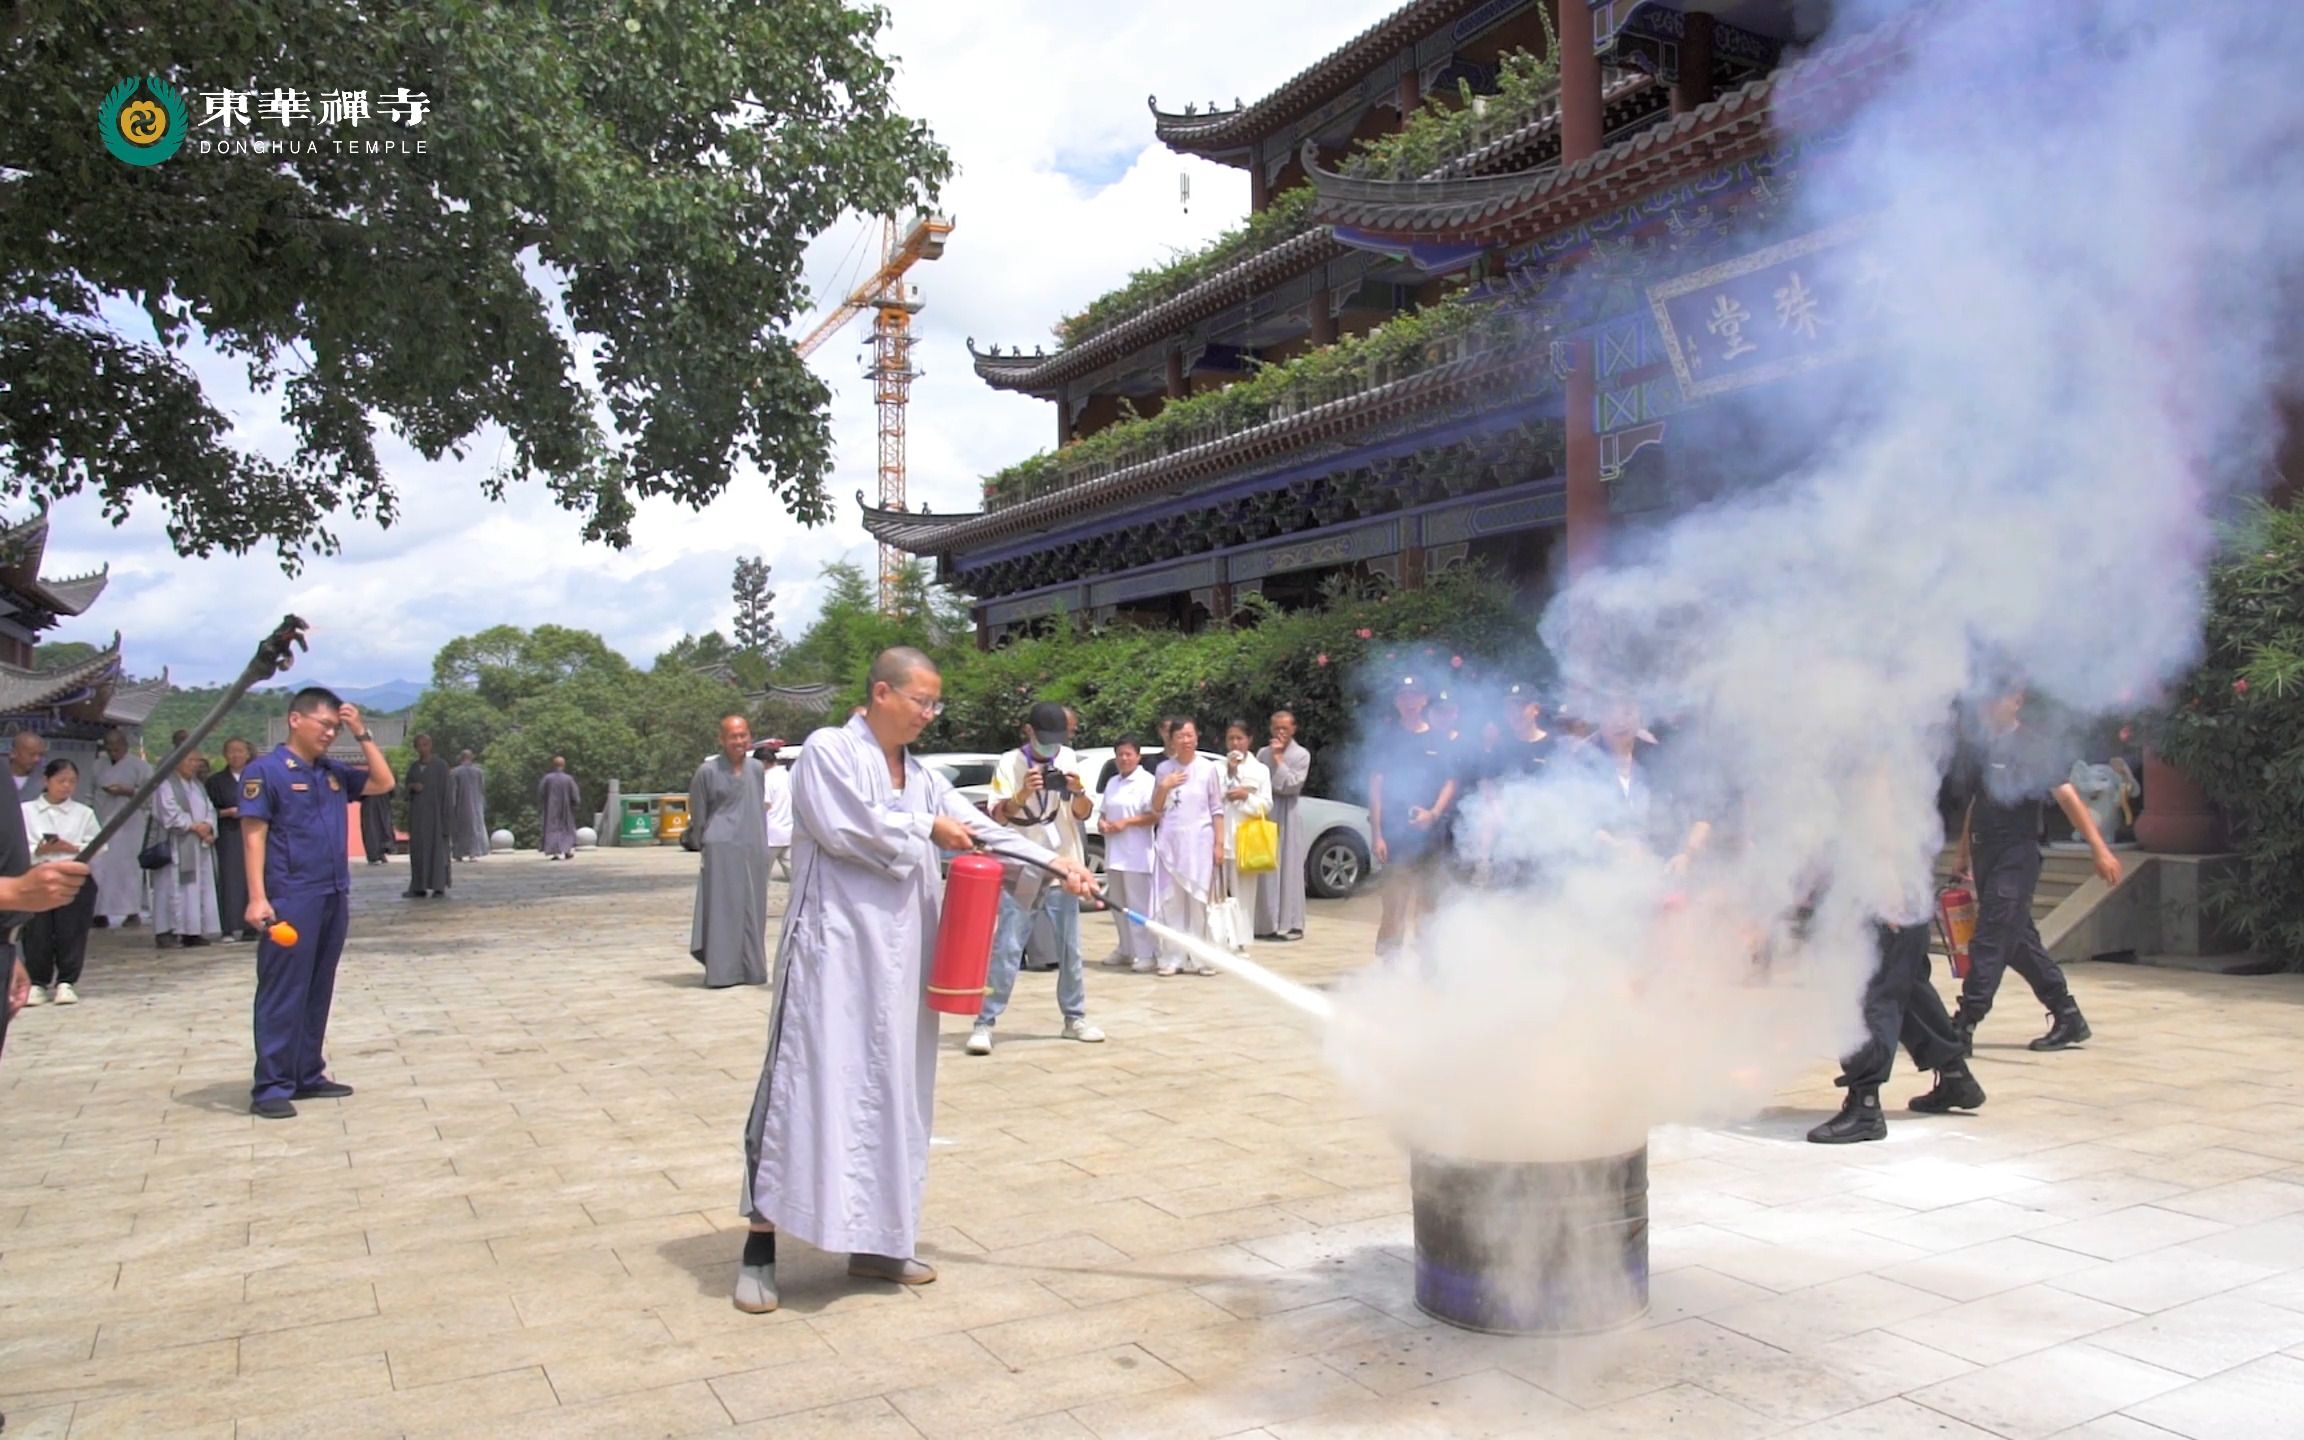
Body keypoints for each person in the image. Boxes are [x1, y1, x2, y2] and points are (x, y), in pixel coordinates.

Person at [734, 647, 1094, 1313]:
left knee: (894, 1094)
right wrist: (929, 826)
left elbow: (981, 829)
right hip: (833, 958)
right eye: (921, 701)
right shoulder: (828, 752)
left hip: (902, 965)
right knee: (802, 1089)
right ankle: (760, 1246)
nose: (930, 714)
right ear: (880, 693)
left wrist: (1056, 866)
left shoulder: (923, 775)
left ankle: (878, 1241)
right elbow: (851, 829)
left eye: (936, 704)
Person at [241, 689, 393, 1119]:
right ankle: (271, 1084)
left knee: (317, 986)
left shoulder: (331, 772)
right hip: (290, 894)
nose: (330, 733)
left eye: (335, 727)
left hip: (332, 892)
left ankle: (307, 1072)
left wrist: (362, 732)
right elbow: (253, 832)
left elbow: (383, 782)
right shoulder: (265, 771)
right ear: (295, 720)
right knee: (282, 989)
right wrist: (256, 897)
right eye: (324, 725)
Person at [1951, 687, 2122, 1051]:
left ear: (2017, 701)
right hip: (1986, 853)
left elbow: (2067, 796)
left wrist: (2099, 848)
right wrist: (1962, 855)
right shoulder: (1983, 747)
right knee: (2017, 942)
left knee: (1992, 934)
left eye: (2000, 696)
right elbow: (1976, 804)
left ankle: (1965, 1023)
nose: (1990, 703)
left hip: (2017, 854)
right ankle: (2068, 1015)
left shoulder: (2033, 746)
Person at [966, 700, 1104, 1055]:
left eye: (1057, 740)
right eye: (1045, 739)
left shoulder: (1069, 759)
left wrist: (1077, 791)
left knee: (1069, 946)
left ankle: (1074, 1017)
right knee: (1009, 945)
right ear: (1029, 732)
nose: (1050, 747)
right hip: (1023, 863)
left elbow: (1083, 813)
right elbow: (999, 816)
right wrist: (1024, 792)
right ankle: (985, 1021)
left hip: (1063, 866)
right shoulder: (1010, 762)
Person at [1810, 919, 1985, 1143]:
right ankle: (1956, 1077)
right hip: (1889, 902)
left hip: (1883, 902)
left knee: (1864, 987)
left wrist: (1891, 893)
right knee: (1906, 985)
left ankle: (1866, 1108)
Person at [1367, 677, 1456, 961]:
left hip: (1430, 834)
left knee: (1429, 904)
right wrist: (1377, 834)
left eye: (1414, 695)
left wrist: (1434, 813)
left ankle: (1427, 966)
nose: (1409, 701)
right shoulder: (1387, 737)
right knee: (1394, 903)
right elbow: (1376, 786)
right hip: (1396, 833)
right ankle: (1389, 968)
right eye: (1403, 696)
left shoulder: (1439, 739)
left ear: (1424, 700)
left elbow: (1450, 782)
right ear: (1397, 702)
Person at [690, 715, 771, 988]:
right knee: (723, 909)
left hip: (754, 845)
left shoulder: (757, 769)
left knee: (753, 908)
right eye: (733, 736)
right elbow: (699, 815)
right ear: (721, 739)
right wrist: (701, 844)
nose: (739, 741)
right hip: (721, 848)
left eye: (743, 735)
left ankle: (752, 969)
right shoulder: (707, 772)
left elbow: (757, 804)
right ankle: (722, 972)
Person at [1150, 717, 1226, 977]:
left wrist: (1219, 843)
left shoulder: (1208, 769)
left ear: (1197, 737)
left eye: (1190, 735)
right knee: (1172, 902)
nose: (1186, 740)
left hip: (1200, 844)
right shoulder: (1163, 769)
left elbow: (1217, 809)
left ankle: (1201, 957)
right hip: (1171, 843)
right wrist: (1164, 786)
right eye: (1180, 735)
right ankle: (1173, 956)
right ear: (1171, 739)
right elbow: (1156, 808)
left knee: (1198, 901)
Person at [20, 758, 100, 1005]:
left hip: (72, 875)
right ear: (46, 781)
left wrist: (72, 848)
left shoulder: (83, 813)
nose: (66, 786)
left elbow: (98, 845)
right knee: (37, 931)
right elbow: (16, 845)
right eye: (60, 781)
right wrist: (38, 850)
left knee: (71, 930)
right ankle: (37, 981)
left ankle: (67, 981)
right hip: (37, 875)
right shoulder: (25, 811)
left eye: (72, 782)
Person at [1097, 737, 1158, 971]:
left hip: (1137, 855)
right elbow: (1103, 812)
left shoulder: (1147, 782)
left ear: (1137, 756)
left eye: (1128, 754)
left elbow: (1154, 815)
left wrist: (1127, 823)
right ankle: (1125, 948)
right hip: (1114, 854)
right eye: (1120, 754)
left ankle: (1146, 953)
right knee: (1118, 904)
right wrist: (1103, 823)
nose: (1124, 759)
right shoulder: (1113, 782)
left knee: (1138, 906)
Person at [151, 749, 222, 948]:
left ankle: (193, 931)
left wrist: (208, 825)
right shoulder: (166, 785)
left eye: (196, 761)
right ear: (177, 763)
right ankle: (167, 931)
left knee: (198, 888)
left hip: (198, 845)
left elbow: (209, 808)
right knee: (172, 887)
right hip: (177, 844)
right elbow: (169, 813)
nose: (194, 765)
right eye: (189, 760)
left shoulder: (198, 786)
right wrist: (193, 826)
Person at [1255, 711, 1312, 942]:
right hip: (1267, 813)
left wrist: (1279, 760)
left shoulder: (1301, 755)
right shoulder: (1261, 753)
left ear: (1293, 729)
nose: (1280, 733)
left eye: (1285, 729)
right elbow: (1258, 783)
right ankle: (1266, 923)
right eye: (1276, 728)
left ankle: (1291, 923)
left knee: (1289, 866)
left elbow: (1291, 786)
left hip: (1288, 813)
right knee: (1267, 868)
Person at [1218, 721, 1272, 956]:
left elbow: (1267, 804)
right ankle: (1221, 939)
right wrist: (1229, 776)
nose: (1235, 743)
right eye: (1231, 739)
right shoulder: (1217, 768)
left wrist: (1244, 797)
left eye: (1239, 738)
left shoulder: (1260, 770)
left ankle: (1241, 942)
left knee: (1244, 895)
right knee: (1219, 894)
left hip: (1246, 841)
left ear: (1249, 740)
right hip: (1220, 840)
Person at [87, 728, 151, 927]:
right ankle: (99, 912)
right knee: (99, 867)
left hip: (130, 825)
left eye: (116, 748)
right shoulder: (97, 766)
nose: (113, 752)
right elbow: (90, 793)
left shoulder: (140, 767)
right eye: (109, 748)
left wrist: (128, 791)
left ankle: (131, 911)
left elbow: (151, 795)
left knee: (128, 868)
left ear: (124, 745)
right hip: (102, 822)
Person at [206, 738, 260, 942]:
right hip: (229, 833)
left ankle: (251, 926)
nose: (236, 755)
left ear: (248, 753)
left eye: (240, 751)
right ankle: (227, 926)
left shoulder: (258, 777)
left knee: (252, 877)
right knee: (229, 879)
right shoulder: (215, 781)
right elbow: (207, 810)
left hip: (254, 832)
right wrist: (226, 812)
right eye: (231, 751)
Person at [401, 733, 452, 898]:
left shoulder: (441, 766)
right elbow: (405, 791)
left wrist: (446, 818)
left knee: (437, 851)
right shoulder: (414, 768)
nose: (422, 748)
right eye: (419, 745)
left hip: (436, 816)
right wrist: (412, 787)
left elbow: (447, 792)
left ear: (430, 745)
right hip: (418, 817)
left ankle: (439, 886)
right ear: (415, 748)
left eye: (425, 744)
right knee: (418, 851)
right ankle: (418, 886)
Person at [757, 742, 793, 883]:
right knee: (796, 878)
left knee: (759, 878)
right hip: (789, 832)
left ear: (764, 762)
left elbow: (765, 805)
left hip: (770, 834)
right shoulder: (789, 776)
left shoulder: (766, 779)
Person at [538, 757, 581, 860]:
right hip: (566, 809)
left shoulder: (547, 778)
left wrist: (544, 803)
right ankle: (567, 851)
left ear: (553, 765)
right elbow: (574, 794)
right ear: (563, 765)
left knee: (552, 829)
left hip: (551, 809)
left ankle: (555, 853)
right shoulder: (568, 779)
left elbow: (541, 792)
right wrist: (575, 803)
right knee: (566, 828)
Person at [450, 750, 490, 861]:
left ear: (461, 758)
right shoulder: (478, 772)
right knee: (475, 829)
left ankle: (458, 854)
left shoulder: (454, 772)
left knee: (459, 830)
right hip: (476, 806)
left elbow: (453, 791)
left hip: (460, 807)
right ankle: (473, 853)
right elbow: (482, 790)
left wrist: (450, 807)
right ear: (471, 758)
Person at [359, 781, 395, 863]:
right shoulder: (365, 775)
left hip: (382, 801)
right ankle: (373, 855)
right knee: (371, 828)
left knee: (383, 825)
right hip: (370, 802)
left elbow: (391, 787)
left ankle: (382, 852)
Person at [9, 731, 46, 802]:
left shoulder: (47, 780)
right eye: (32, 754)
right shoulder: (3, 775)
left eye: (40, 755)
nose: (37, 759)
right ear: (13, 753)